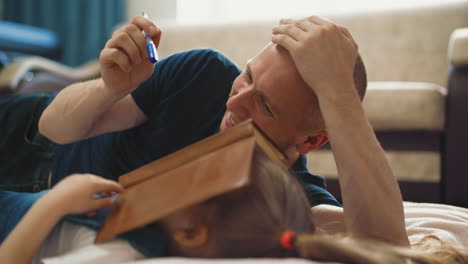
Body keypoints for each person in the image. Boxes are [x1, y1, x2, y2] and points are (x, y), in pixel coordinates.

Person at [1, 151, 467, 263]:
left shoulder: (118, 250)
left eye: (186, 180)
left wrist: (56, 202)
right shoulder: (158, 227)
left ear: (190, 233)